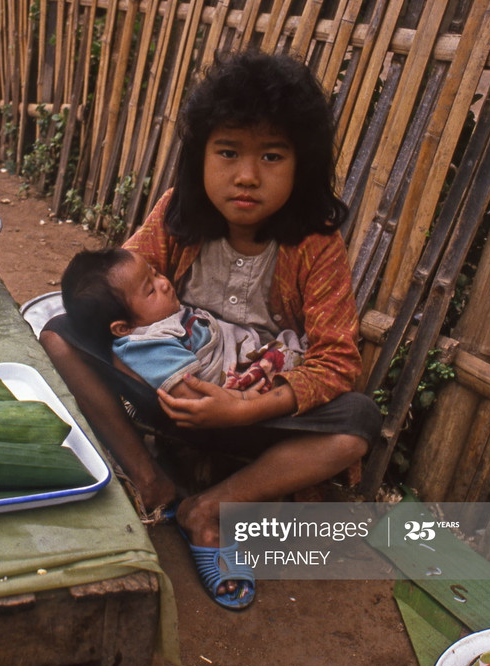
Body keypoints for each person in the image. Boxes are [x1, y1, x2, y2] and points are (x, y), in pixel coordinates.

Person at [39, 49, 381, 610]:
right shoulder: (178, 215)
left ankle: (209, 510)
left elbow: (337, 361)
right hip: (172, 402)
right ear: (200, 157)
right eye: (228, 153)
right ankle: (152, 480)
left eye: (272, 156)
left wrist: (243, 408)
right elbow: (117, 287)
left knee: (356, 422)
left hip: (257, 416)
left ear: (304, 164)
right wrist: (149, 371)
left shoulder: (315, 245)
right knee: (59, 332)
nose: (246, 176)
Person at [59, 246, 306, 397]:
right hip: (230, 382)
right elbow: (190, 393)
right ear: (124, 328)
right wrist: (239, 404)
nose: (164, 283)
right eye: (150, 290)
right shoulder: (147, 345)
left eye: (154, 273)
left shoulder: (158, 315)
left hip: (241, 348)